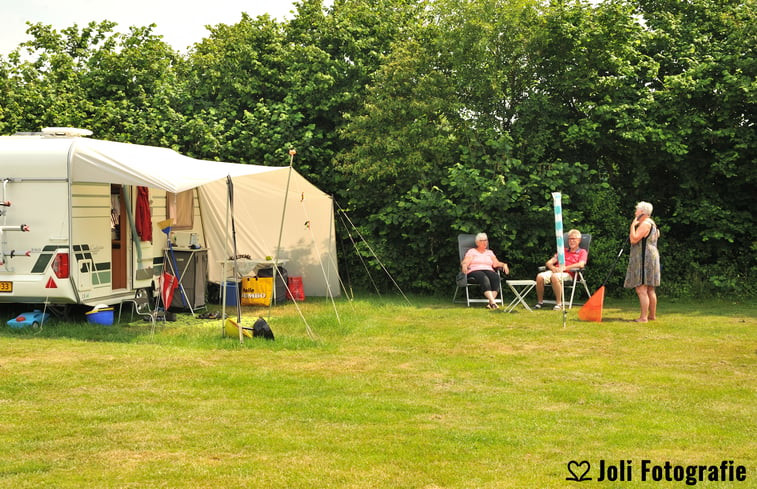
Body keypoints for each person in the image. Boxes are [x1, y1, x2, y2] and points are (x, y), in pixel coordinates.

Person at [533, 229, 588, 310]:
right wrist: (553, 268)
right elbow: (549, 262)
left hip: (569, 273)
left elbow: (581, 264)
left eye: (574, 239)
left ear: (579, 240)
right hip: (557, 271)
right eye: (570, 239)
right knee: (539, 276)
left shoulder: (582, 252)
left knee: (555, 277)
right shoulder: (563, 251)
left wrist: (565, 268)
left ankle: (559, 304)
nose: (571, 241)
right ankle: (540, 302)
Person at [624, 201, 660, 322]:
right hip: (652, 255)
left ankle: (643, 317)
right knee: (650, 288)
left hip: (645, 258)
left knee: (641, 288)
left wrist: (632, 226)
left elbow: (634, 240)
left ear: (642, 213)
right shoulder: (653, 223)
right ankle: (652, 316)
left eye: (637, 211)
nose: (635, 212)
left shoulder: (645, 224)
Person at [461, 233, 509, 309]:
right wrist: (464, 265)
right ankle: (493, 302)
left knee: (496, 277)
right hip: (475, 271)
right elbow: (466, 261)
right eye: (482, 240)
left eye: (486, 240)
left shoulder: (489, 252)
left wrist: (504, 265)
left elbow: (496, 263)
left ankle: (490, 303)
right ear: (477, 242)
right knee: (483, 277)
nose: (485, 242)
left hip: (488, 270)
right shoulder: (472, 251)